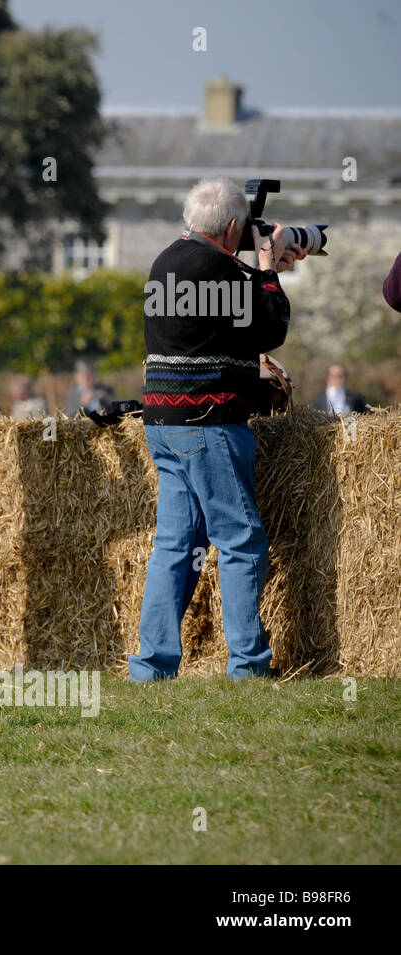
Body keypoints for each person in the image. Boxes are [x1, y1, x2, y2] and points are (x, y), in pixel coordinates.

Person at [132, 178, 306, 681]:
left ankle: (152, 665)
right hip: (208, 424)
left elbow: (215, 319)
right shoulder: (225, 270)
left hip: (163, 423)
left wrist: (256, 271)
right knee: (240, 540)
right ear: (235, 226)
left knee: (175, 545)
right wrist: (269, 269)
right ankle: (249, 665)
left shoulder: (165, 260)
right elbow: (272, 327)